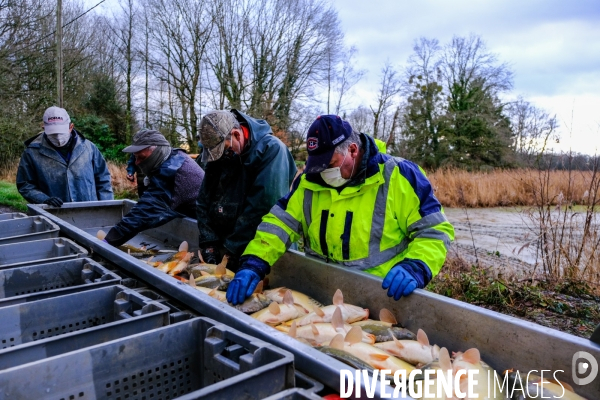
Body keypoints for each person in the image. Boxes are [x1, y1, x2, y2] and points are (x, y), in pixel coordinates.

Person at [226, 115, 455, 305]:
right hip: (322, 295)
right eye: (319, 165)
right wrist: (254, 262)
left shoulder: (400, 175)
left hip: (383, 297)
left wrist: (416, 265)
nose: (324, 172)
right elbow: (278, 225)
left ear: (353, 150)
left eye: (331, 164)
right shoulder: (308, 182)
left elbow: (434, 231)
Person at [196, 109, 296, 271]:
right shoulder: (218, 153)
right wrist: (209, 242)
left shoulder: (271, 150)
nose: (222, 158)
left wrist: (231, 249)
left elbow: (262, 208)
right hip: (229, 245)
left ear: (236, 134)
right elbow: (203, 200)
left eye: (226, 150)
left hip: (260, 250)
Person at [104, 129, 205, 247]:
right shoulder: (173, 156)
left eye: (141, 157)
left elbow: (144, 211)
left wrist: (106, 243)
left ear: (157, 151)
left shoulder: (172, 171)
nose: (137, 163)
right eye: (135, 158)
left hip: (206, 229)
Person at [16, 106, 113, 206]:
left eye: (61, 132)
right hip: (53, 214)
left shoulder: (89, 148)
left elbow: (103, 180)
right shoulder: (32, 152)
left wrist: (106, 208)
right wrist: (43, 199)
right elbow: (25, 185)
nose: (58, 137)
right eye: (53, 133)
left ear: (71, 127)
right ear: (43, 128)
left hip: (89, 212)